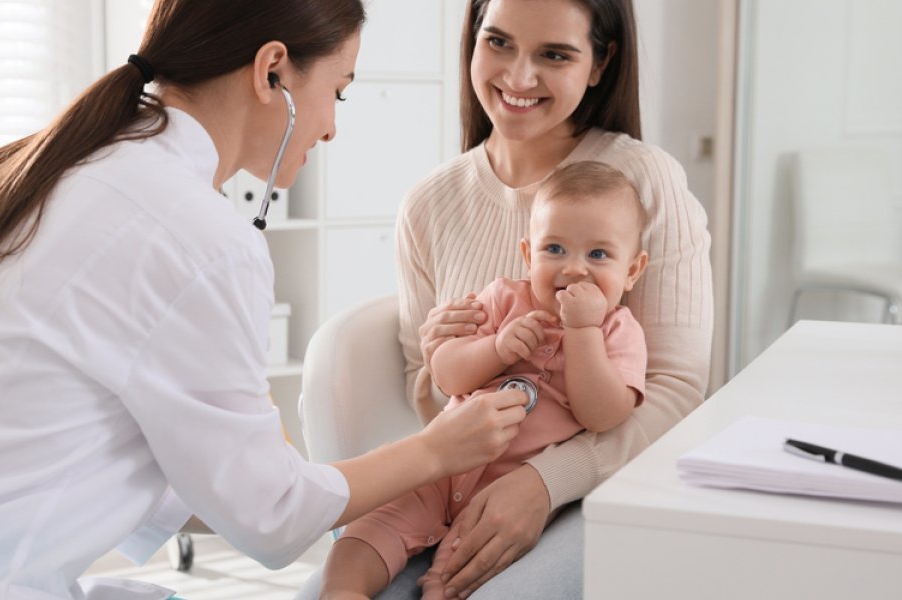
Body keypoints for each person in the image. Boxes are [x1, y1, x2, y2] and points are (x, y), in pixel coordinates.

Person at [0, 1, 531, 598]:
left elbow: (150, 457)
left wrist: (295, 476)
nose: (330, 129)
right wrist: (437, 451)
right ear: (272, 71)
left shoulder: (42, 169)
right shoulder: (197, 234)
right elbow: (271, 515)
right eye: (338, 93)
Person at [305, 0, 714, 596]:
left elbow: (676, 393)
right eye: (498, 42)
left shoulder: (645, 183)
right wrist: (445, 355)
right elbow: (431, 390)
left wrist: (544, 482)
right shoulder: (429, 203)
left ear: (600, 63)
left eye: (555, 54)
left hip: (591, 493)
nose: (519, 77)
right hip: (454, 480)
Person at [320, 162, 650, 600]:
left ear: (633, 270)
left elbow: (603, 414)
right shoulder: (501, 298)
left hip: (509, 490)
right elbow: (447, 374)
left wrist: (583, 331)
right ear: (529, 254)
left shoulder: (618, 330)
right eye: (555, 249)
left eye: (598, 255)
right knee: (371, 526)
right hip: (442, 463)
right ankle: (342, 591)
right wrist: (496, 348)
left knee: (462, 569)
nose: (574, 269)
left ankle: (439, 588)